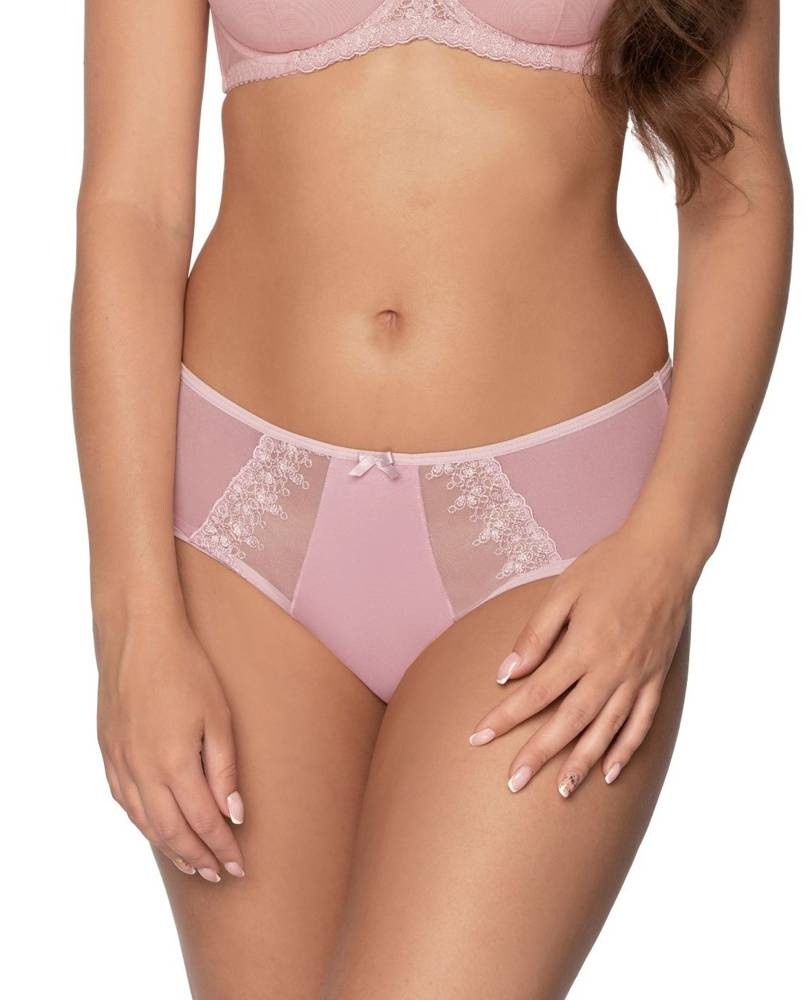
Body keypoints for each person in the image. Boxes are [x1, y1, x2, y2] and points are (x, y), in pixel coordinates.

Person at [71, 1, 792, 996]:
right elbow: (132, 206)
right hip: (242, 532)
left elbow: (737, 181)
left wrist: (671, 543)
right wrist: (131, 622)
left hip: (562, 548)